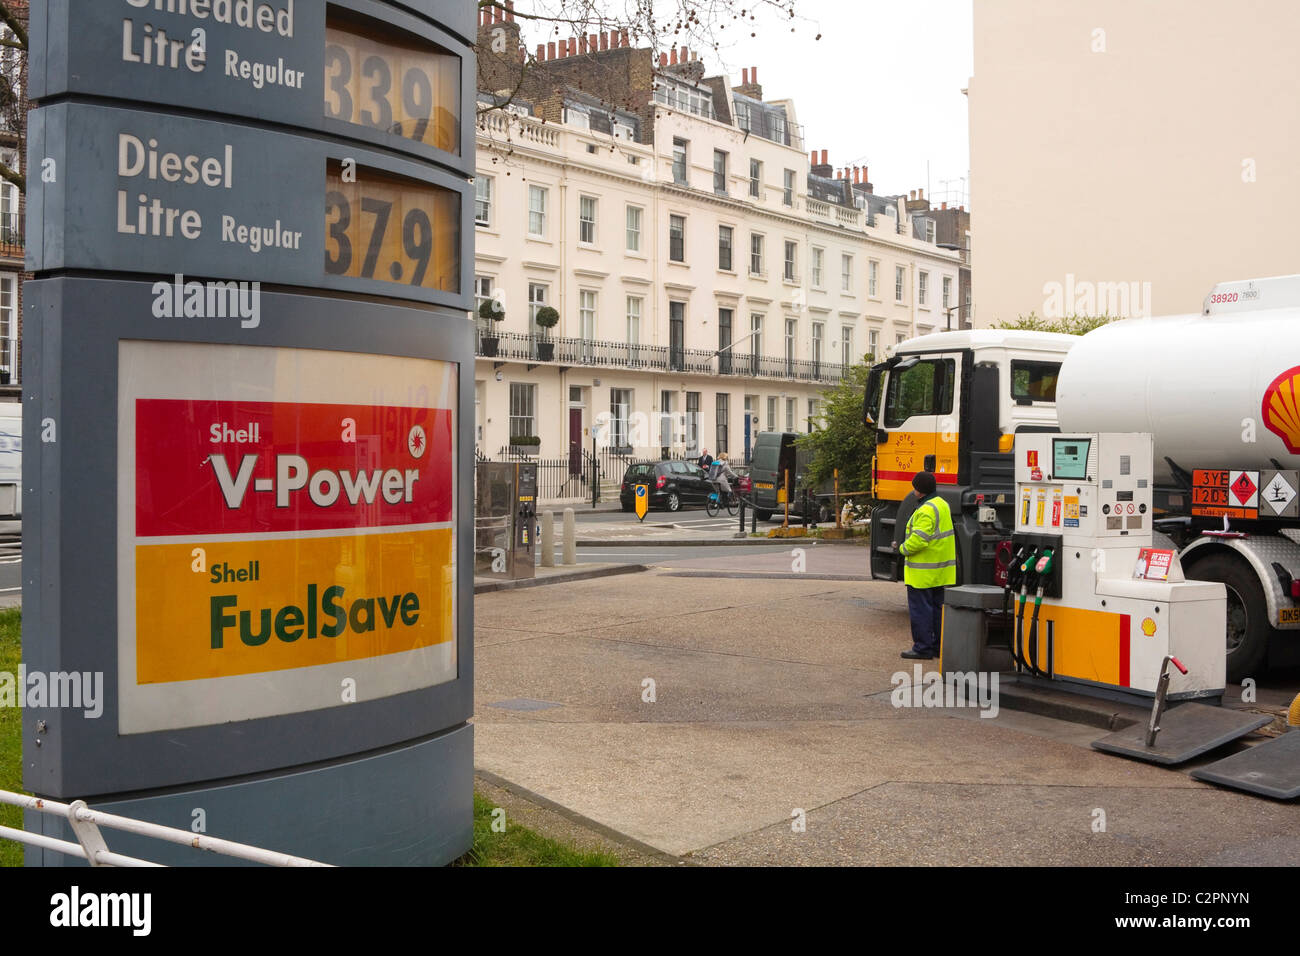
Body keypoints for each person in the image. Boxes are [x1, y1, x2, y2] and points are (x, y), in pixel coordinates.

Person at [896, 470, 957, 660]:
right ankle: (938, 646)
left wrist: (902, 548)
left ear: (919, 490)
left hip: (922, 573)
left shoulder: (925, 510)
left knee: (921, 611)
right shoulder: (942, 504)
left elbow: (919, 541)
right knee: (938, 610)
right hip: (940, 571)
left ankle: (922, 648)